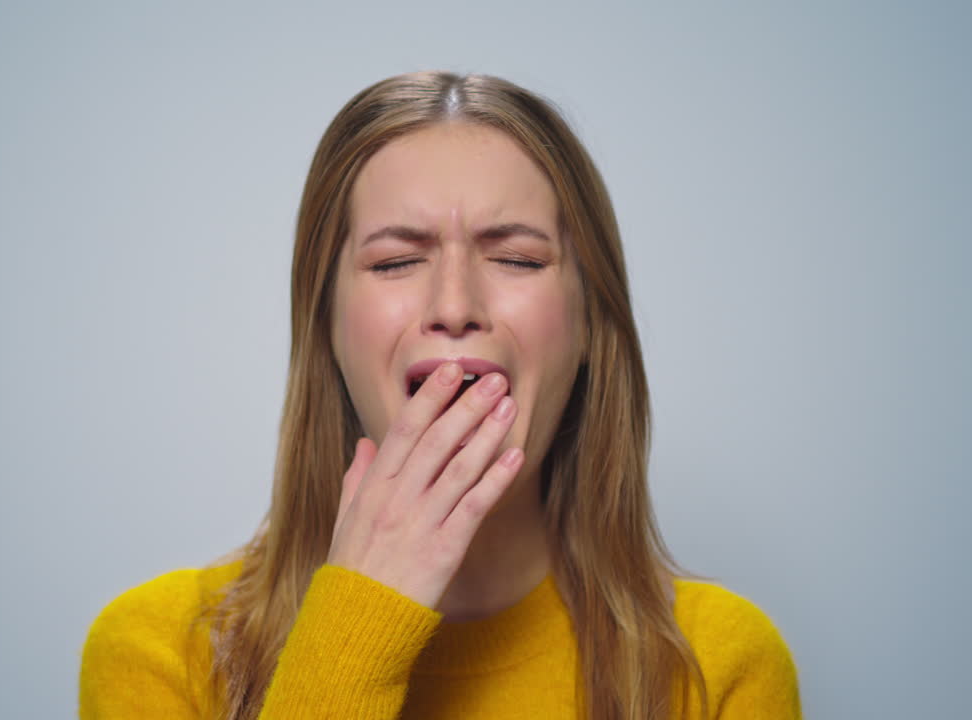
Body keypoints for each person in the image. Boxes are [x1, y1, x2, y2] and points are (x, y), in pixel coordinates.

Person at [78, 71, 801, 720]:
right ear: (325, 324)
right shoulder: (160, 653)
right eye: (395, 261)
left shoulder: (718, 667)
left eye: (517, 258)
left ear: (590, 323)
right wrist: (357, 627)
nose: (454, 304)